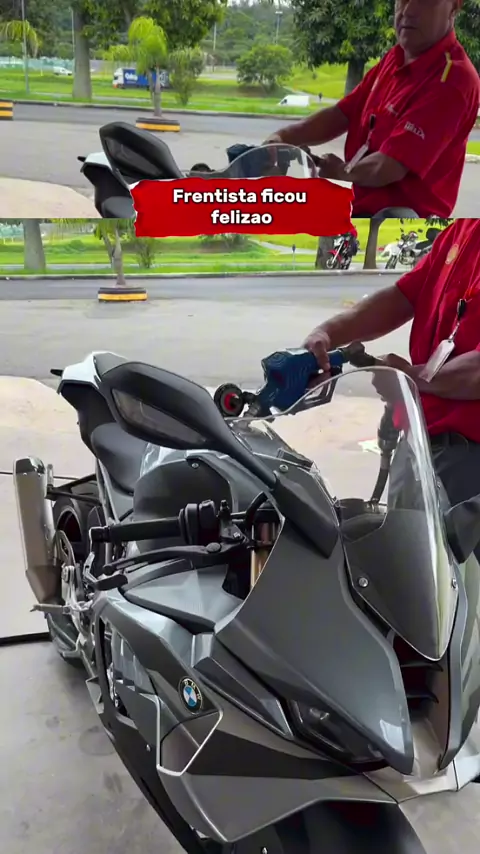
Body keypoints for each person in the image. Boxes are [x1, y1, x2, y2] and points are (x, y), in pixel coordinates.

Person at [302, 218, 480, 515]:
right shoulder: (463, 228)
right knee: (404, 540)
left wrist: (411, 378)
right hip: (420, 443)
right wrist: (327, 333)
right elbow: (402, 295)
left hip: (468, 457)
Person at [266, 0, 479, 218]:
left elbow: (388, 167)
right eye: (402, 0)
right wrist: (283, 137)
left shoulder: (452, 80)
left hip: (394, 224)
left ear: (454, 8)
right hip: (354, 206)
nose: (408, 11)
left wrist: (341, 172)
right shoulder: (395, 58)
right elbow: (342, 113)